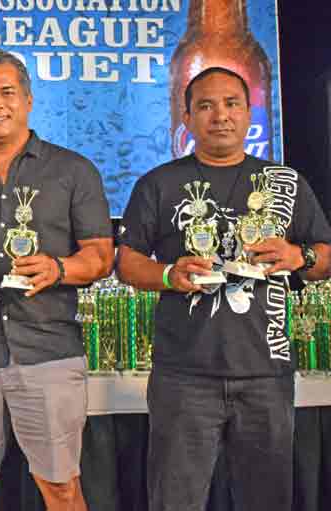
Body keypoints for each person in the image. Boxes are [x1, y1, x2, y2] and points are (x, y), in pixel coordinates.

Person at [116, 66, 331, 511]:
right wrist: (167, 275)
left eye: (232, 104)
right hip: (183, 376)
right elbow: (126, 262)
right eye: (206, 106)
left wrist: (300, 257)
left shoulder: (284, 183)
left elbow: (325, 256)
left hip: (266, 372)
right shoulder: (158, 183)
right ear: (187, 117)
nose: (221, 116)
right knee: (175, 502)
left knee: (267, 501)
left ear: (249, 113)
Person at [0, 49, 114, 511]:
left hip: (48, 351)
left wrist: (58, 269)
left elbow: (101, 256)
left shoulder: (73, 170)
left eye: (7, 92)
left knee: (60, 488)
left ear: (28, 100)